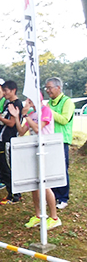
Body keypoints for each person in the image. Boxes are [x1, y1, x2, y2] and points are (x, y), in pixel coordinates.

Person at [8, 96, 61, 230]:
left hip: (46, 150)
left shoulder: (46, 111)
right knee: (34, 184)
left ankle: (54, 217)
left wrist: (26, 115)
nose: (27, 102)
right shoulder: (32, 114)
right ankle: (38, 215)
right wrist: (18, 116)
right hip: (34, 151)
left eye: (29, 100)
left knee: (45, 184)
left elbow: (38, 129)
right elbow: (21, 132)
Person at [45, 77, 75, 210]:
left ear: (58, 88)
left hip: (62, 140)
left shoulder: (67, 102)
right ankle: (54, 195)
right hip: (49, 140)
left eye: (50, 87)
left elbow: (64, 119)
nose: (47, 90)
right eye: (46, 88)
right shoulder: (49, 103)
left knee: (62, 169)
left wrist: (49, 112)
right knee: (51, 169)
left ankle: (63, 197)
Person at [0, 81, 23, 205]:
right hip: (1, 138)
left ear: (13, 90)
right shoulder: (8, 104)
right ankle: (10, 192)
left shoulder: (17, 104)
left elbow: (11, 123)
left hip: (9, 140)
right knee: (3, 166)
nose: (4, 93)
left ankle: (14, 195)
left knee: (8, 167)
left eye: (6, 90)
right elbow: (1, 119)